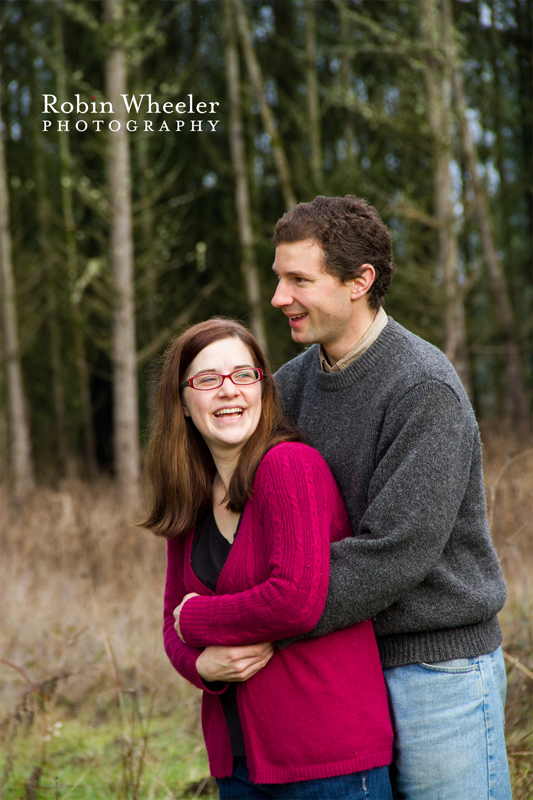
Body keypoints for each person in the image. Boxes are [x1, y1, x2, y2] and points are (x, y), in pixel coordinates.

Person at [267, 195, 511, 800]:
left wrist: (268, 617)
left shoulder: (422, 386)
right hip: (341, 671)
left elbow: (394, 552)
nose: (279, 297)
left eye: (299, 279)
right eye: (278, 278)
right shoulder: (291, 386)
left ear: (359, 281)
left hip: (439, 675)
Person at [141, 318, 393, 800]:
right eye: (208, 380)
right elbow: (168, 626)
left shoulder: (288, 466)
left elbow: (295, 599)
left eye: (244, 375)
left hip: (326, 759)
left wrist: (196, 620)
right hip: (237, 764)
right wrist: (203, 669)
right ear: (184, 405)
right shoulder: (190, 495)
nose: (228, 391)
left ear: (263, 388)